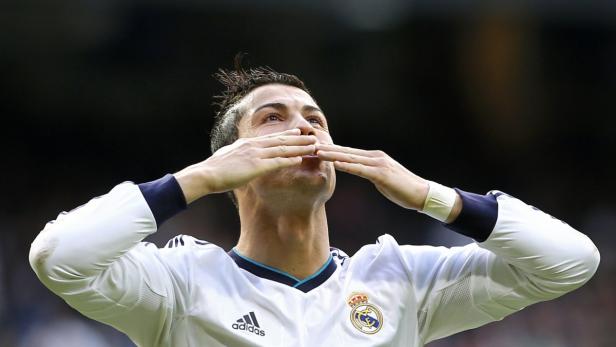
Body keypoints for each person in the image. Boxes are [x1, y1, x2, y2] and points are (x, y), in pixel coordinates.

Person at [29, 66, 600, 347]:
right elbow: (58, 256)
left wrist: (433, 197)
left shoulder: (401, 281)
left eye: (314, 119)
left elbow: (572, 261)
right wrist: (197, 179)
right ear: (236, 161)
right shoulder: (178, 285)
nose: (303, 128)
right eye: (272, 118)